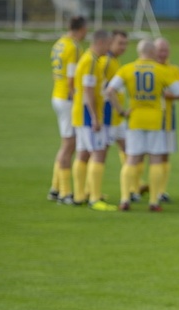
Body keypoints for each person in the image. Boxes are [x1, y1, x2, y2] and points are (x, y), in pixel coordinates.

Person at [106, 39, 179, 212]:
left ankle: (125, 199)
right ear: (152, 53)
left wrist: (121, 110)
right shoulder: (161, 70)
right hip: (155, 120)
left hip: (135, 119)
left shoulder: (127, 69)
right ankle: (153, 202)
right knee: (156, 159)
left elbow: (110, 91)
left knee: (132, 159)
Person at [70, 29, 115, 211]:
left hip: (80, 114)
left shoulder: (89, 59)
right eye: (109, 44)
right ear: (101, 43)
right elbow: (88, 91)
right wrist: (96, 117)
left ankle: (80, 194)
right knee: (97, 152)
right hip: (88, 115)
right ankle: (94, 198)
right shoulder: (91, 62)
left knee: (83, 153)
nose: (110, 48)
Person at [49, 16, 86, 204]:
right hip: (67, 98)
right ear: (81, 28)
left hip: (57, 95)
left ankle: (55, 188)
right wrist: (77, 98)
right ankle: (64, 192)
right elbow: (71, 78)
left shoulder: (59, 44)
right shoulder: (74, 47)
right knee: (69, 145)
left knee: (67, 144)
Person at [99, 30, 131, 197]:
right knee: (100, 154)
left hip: (117, 118)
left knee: (128, 150)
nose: (123, 47)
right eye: (120, 43)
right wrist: (120, 110)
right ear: (110, 43)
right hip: (109, 115)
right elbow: (106, 91)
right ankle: (92, 192)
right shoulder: (105, 62)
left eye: (125, 44)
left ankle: (132, 187)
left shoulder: (114, 61)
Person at [155, 37, 179, 204]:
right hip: (149, 117)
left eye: (165, 50)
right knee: (141, 154)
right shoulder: (150, 68)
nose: (162, 54)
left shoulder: (174, 69)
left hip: (168, 118)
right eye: (159, 50)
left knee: (164, 154)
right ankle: (135, 188)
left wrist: (167, 94)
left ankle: (160, 190)